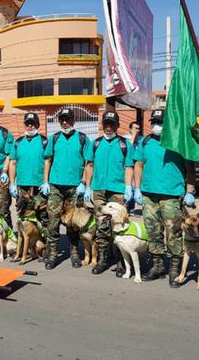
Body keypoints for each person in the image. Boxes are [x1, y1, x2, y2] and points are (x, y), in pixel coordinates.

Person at [133, 109, 196, 287]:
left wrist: (190, 190)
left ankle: (175, 269)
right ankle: (158, 266)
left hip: (171, 195)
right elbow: (138, 164)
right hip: (149, 194)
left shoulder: (178, 141)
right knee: (153, 231)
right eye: (154, 122)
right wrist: (136, 188)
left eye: (160, 122)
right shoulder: (145, 141)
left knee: (173, 233)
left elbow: (190, 167)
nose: (156, 126)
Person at [42, 108, 93, 270]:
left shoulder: (83, 139)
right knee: (53, 220)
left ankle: (74, 252)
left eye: (68, 119)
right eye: (62, 119)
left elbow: (89, 163)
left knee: (73, 224)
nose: (65, 122)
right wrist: (46, 182)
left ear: (73, 121)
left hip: (74, 187)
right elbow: (48, 161)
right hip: (56, 186)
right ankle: (52, 253)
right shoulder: (54, 138)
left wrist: (85, 183)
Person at [88, 111, 135, 275]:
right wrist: (87, 186)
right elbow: (90, 166)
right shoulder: (95, 143)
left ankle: (122, 261)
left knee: (120, 226)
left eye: (112, 124)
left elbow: (129, 167)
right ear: (102, 124)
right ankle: (102, 259)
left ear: (117, 125)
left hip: (118, 191)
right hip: (99, 189)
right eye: (106, 123)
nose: (109, 127)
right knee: (101, 226)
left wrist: (129, 187)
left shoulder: (125, 145)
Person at [9, 112, 48, 226]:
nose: (30, 126)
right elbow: (12, 163)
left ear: (38, 125)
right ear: (24, 125)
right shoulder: (18, 142)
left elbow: (49, 162)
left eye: (33, 124)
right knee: (23, 218)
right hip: (23, 187)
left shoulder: (44, 142)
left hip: (39, 187)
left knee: (42, 218)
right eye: (28, 124)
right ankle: (26, 243)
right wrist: (12, 183)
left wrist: (47, 182)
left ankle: (42, 243)